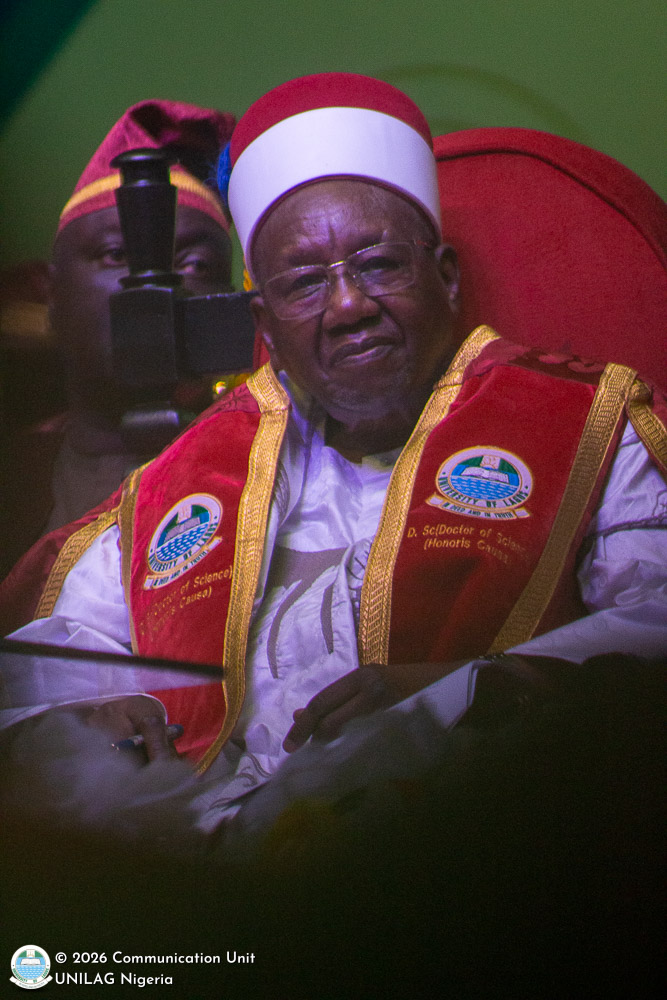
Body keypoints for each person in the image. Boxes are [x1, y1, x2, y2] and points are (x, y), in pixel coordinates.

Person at [1, 74, 666, 821]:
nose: (349, 306)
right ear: (266, 323)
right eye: (305, 284)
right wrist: (89, 712)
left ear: (445, 278)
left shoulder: (582, 423)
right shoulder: (192, 477)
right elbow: (42, 669)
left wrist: (467, 687)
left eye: (379, 264)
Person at [0, 100, 236, 577]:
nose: (156, 284)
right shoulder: (14, 478)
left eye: (195, 264)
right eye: (116, 255)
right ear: (52, 296)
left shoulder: (279, 459)